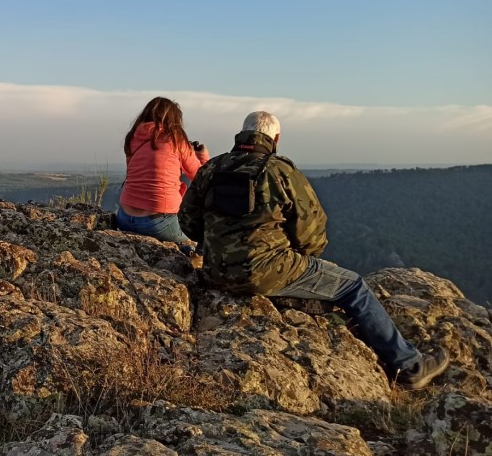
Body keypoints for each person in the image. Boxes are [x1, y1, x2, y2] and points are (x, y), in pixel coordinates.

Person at [179, 111, 450, 390]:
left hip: (214, 273)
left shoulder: (211, 168)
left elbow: (188, 222)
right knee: (353, 287)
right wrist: (295, 256)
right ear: (276, 139)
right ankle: (409, 366)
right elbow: (311, 234)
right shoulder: (281, 171)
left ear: (242, 134)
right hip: (269, 272)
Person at [116, 97, 209, 245]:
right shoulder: (175, 139)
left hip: (124, 217)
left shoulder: (132, 138)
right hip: (158, 223)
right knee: (203, 240)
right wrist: (202, 156)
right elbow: (201, 175)